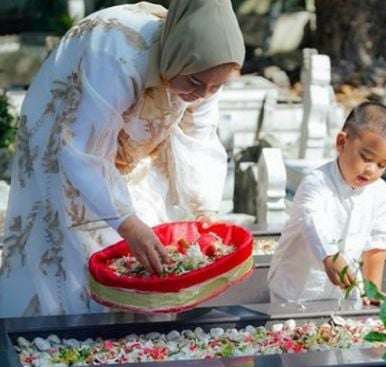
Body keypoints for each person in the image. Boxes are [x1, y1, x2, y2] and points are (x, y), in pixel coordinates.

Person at [0, 0, 245, 318]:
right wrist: (127, 223)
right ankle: (69, 336)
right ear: (177, 56)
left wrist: (204, 209)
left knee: (150, 239)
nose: (204, 94)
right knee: (74, 246)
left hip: (133, 142)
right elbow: (84, 151)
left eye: (217, 86)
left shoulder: (206, 67)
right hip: (68, 131)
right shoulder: (116, 56)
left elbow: (198, 135)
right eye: (196, 84)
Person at [267, 101, 386, 304]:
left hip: (345, 293)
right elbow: (312, 221)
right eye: (366, 157)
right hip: (295, 291)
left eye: (382, 165)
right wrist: (330, 255)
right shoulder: (317, 182)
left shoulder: (379, 191)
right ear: (341, 142)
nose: (371, 170)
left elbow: (377, 240)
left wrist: (372, 289)